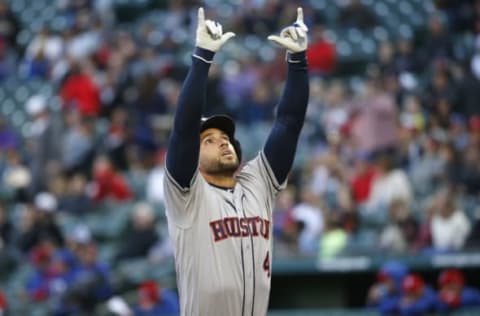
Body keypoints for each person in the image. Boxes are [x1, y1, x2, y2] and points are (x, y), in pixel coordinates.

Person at [163, 7, 309, 316]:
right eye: (209, 140)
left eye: (225, 137)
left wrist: (297, 63)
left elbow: (289, 123)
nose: (222, 142)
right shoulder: (186, 196)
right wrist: (203, 56)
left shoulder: (258, 183)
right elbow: (184, 129)